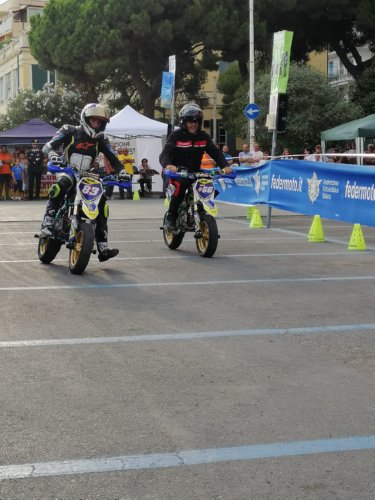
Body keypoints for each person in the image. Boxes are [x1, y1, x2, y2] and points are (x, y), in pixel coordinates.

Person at [40, 103, 123, 262]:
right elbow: (47, 147)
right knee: (62, 184)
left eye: (100, 122)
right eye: (94, 121)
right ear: (85, 118)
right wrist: (53, 156)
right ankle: (48, 223)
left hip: (88, 176)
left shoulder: (102, 140)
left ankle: (103, 246)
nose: (97, 124)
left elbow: (115, 160)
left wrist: (123, 172)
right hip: (67, 170)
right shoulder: (69, 130)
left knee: (102, 202)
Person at [159, 103, 231, 230]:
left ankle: (201, 210)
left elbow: (216, 153)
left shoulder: (203, 136)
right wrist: (169, 165)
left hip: (195, 172)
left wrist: (225, 166)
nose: (193, 124)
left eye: (196, 122)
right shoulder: (176, 136)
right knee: (180, 186)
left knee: (208, 185)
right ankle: (171, 217)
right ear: (183, 122)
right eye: (190, 122)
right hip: (176, 172)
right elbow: (165, 153)